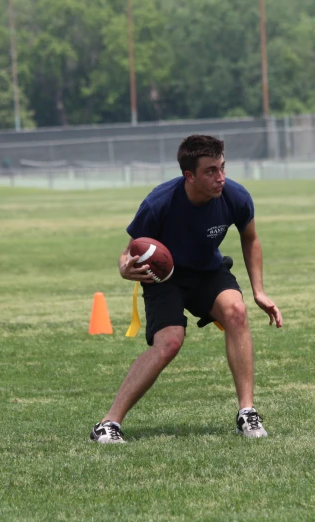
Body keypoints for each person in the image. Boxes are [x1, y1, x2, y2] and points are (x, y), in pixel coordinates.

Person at [89, 134, 283, 443]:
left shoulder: (236, 196)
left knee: (237, 311)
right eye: (210, 171)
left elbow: (251, 237)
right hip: (166, 278)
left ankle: (247, 412)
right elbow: (130, 251)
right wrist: (125, 267)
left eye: (222, 167)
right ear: (189, 176)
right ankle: (107, 424)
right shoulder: (159, 203)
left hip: (208, 271)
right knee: (169, 343)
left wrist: (258, 290)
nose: (220, 177)